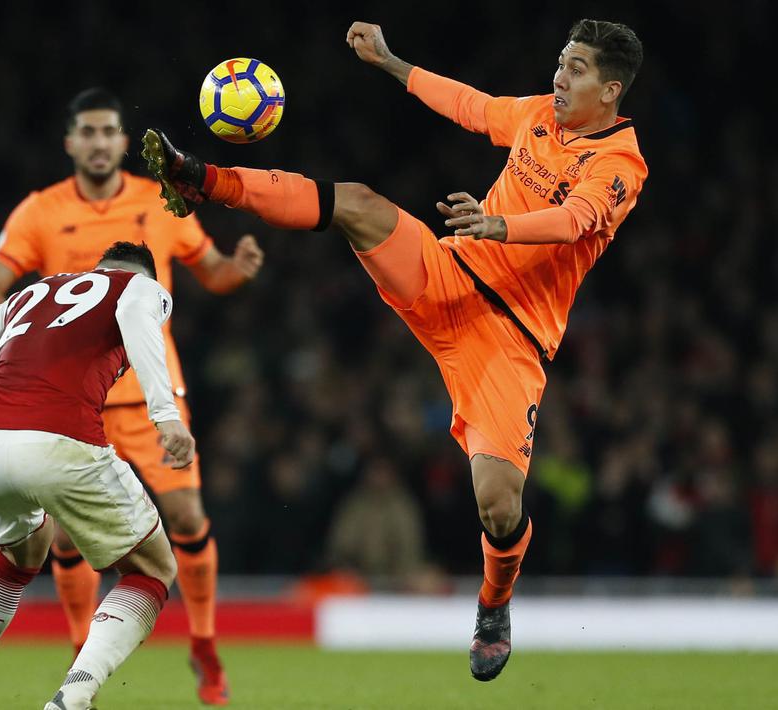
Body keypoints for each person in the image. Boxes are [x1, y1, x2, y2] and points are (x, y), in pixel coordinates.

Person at [142, 18, 647, 681]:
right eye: (560, 61)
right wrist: (389, 61)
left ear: (609, 90)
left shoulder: (618, 163)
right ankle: (201, 179)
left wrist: (499, 223)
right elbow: (470, 105)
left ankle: (493, 603)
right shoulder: (536, 116)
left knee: (497, 504)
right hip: (447, 275)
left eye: (576, 69)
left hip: (508, 338)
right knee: (356, 203)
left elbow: (574, 220)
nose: (559, 75)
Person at [0, 87, 263, 704]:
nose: (100, 143)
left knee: (185, 518)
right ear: (70, 142)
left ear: (123, 143)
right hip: (72, 404)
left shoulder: (159, 202)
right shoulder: (39, 212)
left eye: (109, 132)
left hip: (154, 397)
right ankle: (82, 653)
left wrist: (238, 267)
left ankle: (204, 645)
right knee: (70, 538)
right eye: (88, 132)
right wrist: (20, 348)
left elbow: (212, 272)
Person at [0, 242, 194, 710]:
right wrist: (165, 414)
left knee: (25, 549)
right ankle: (73, 697)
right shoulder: (141, 287)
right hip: (59, 441)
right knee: (154, 569)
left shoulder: (33, 294)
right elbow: (137, 318)